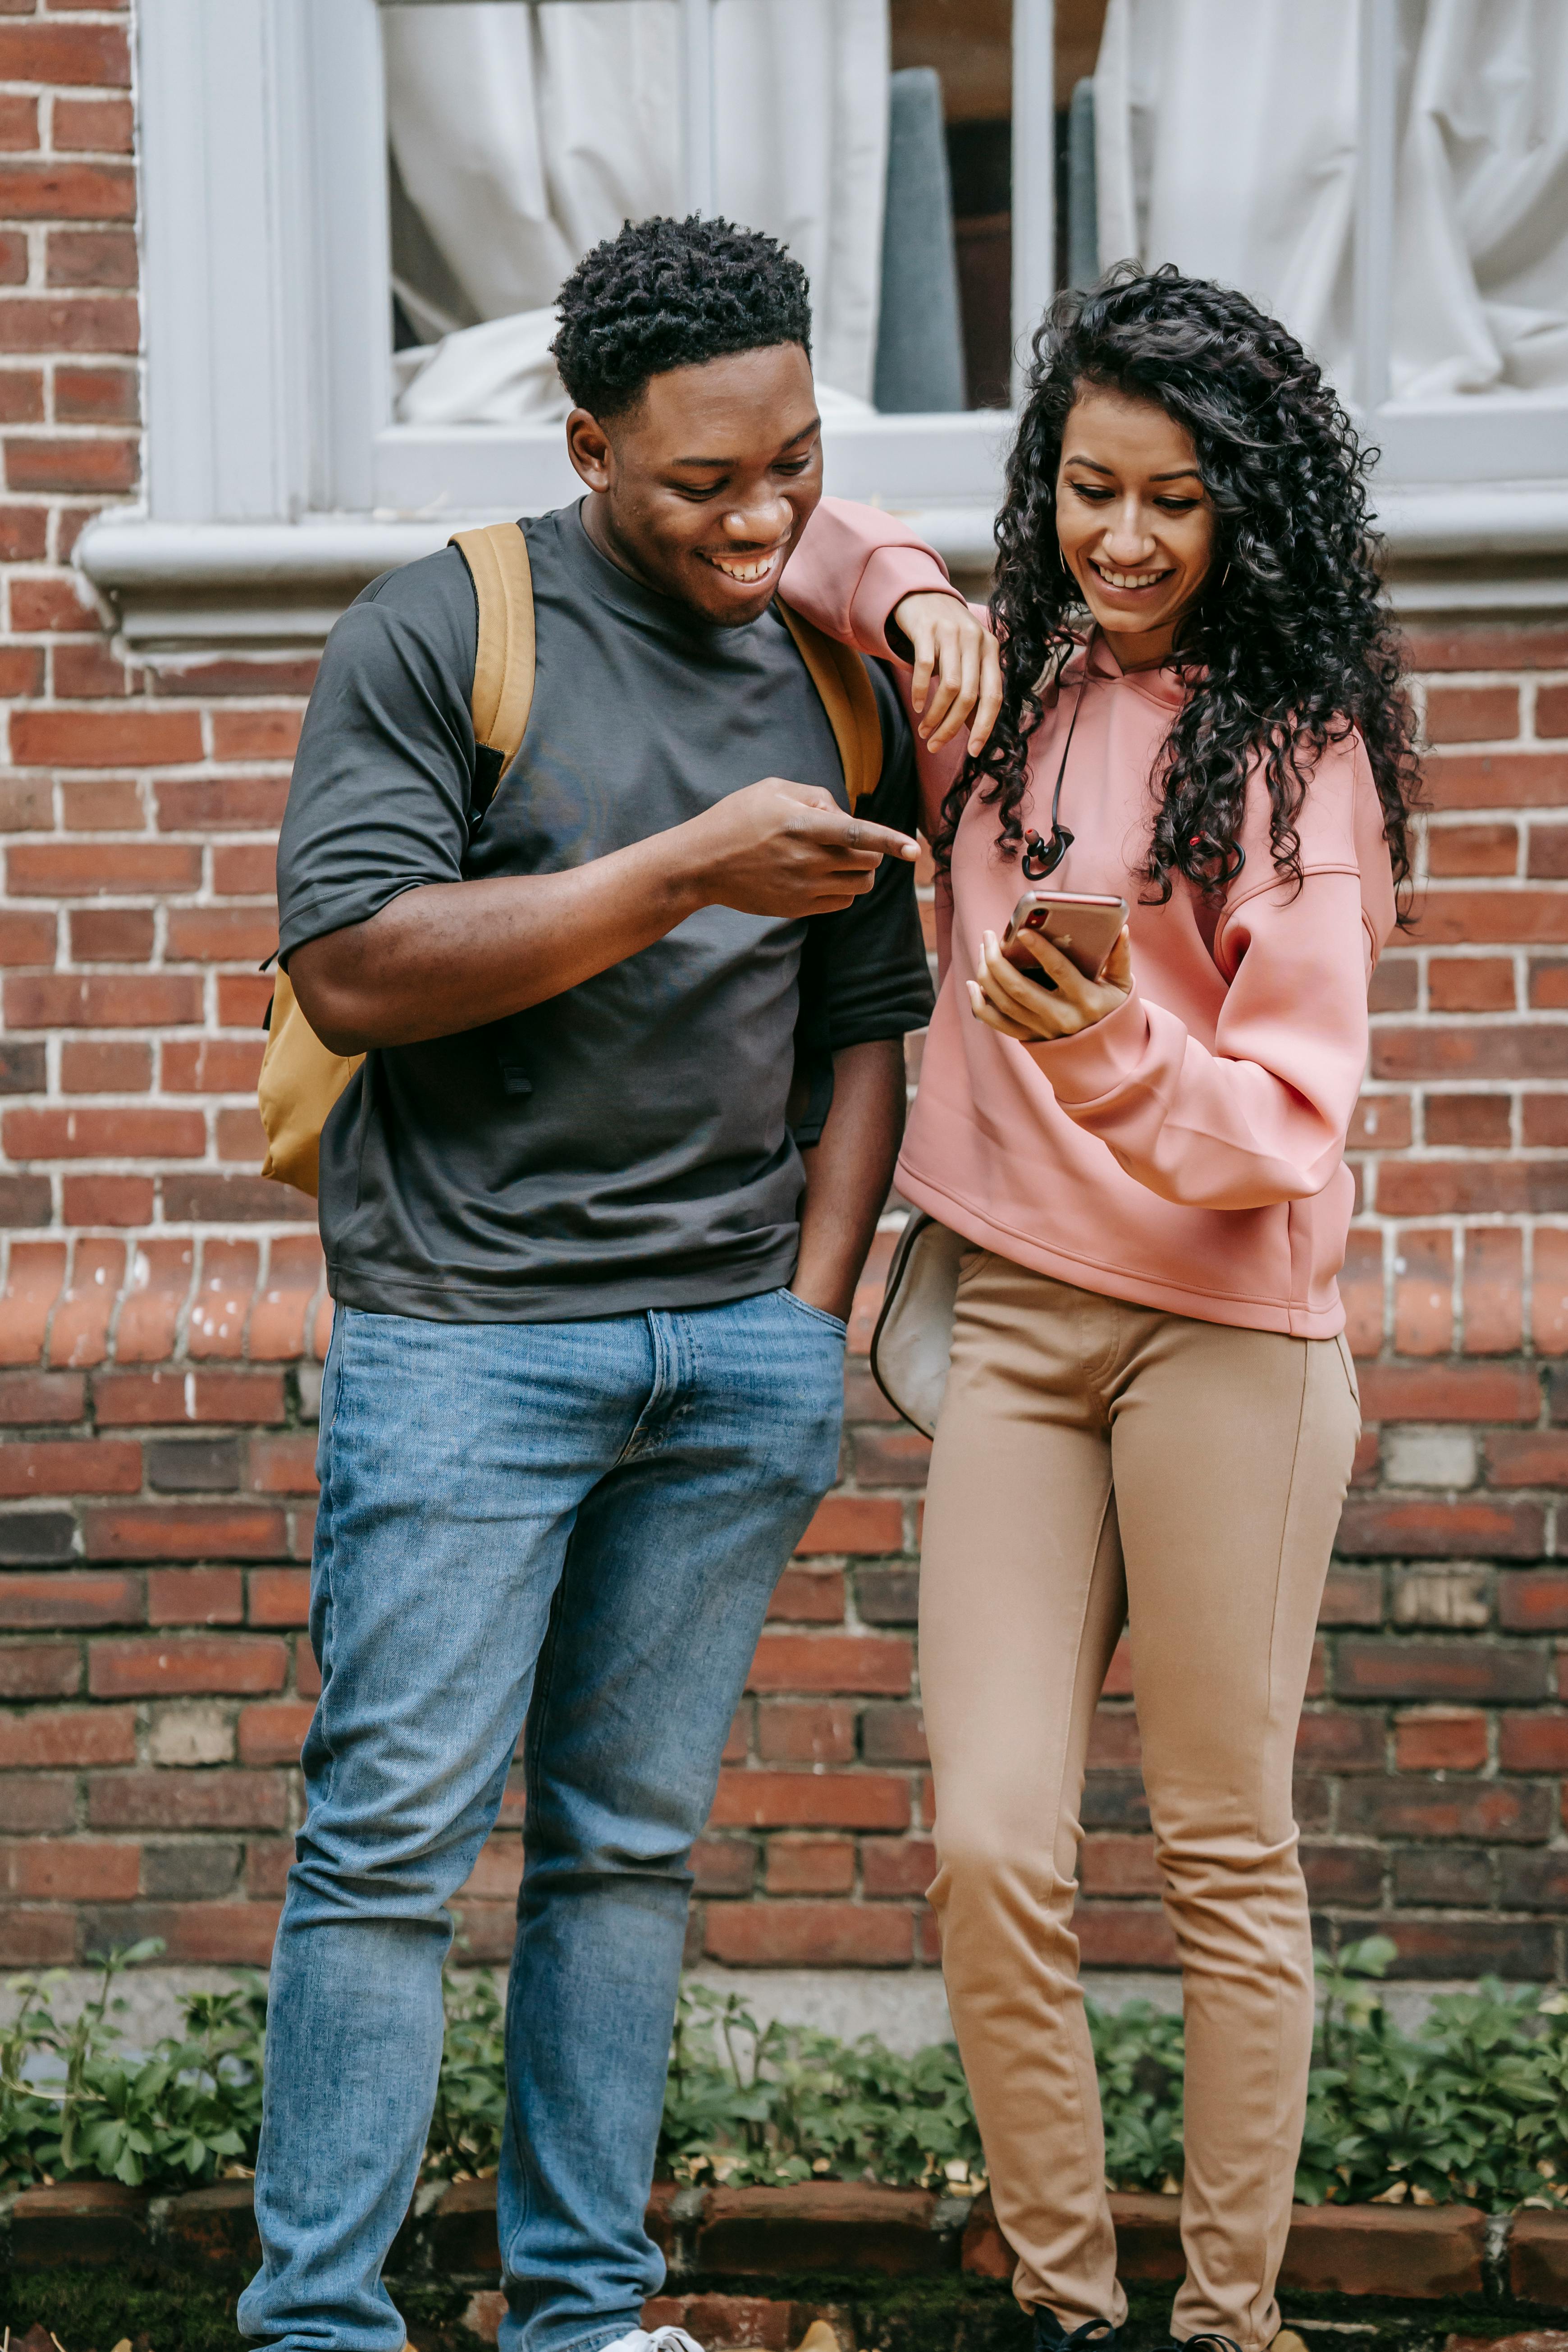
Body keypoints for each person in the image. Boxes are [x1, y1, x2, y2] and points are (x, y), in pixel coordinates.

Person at [238, 213, 999, 2352]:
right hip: (467, 1343)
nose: (763, 516)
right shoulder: (440, 630)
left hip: (728, 1352)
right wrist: (678, 867)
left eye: (797, 465)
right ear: (589, 448)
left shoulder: (841, 668)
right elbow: (359, 968)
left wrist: (809, 1310)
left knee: (627, 1858)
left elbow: (869, 1005)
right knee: (390, 1847)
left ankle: (581, 2314)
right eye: (704, 484)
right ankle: (321, 2327)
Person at [782, 265, 1420, 2352]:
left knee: (1225, 1853)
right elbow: (769, 517)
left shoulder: (1301, 761)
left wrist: (1113, 1047)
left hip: (1231, 1337)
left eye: (1172, 502)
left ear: (1248, 511)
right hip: (1024, 1334)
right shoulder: (1005, 699)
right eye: (1084, 490)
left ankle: (1228, 2317)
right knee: (987, 1846)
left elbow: (1289, 1132)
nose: (1123, 543)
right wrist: (908, 600)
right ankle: (1070, 2302)